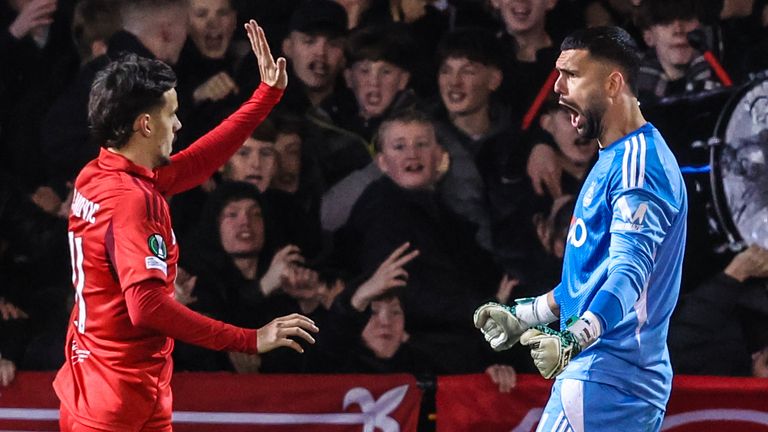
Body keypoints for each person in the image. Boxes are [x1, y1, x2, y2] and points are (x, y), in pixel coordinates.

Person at [53, 21, 318, 432]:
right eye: (171, 115)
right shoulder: (134, 201)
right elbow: (147, 308)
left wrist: (265, 97)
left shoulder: (97, 174)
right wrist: (249, 339)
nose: (177, 126)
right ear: (145, 124)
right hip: (123, 400)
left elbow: (196, 163)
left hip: (92, 380)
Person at [474, 26, 688, 431]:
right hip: (603, 379)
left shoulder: (637, 166)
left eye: (571, 75)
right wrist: (526, 315)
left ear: (612, 83)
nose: (557, 87)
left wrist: (574, 338)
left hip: (608, 381)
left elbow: (629, 274)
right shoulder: (614, 159)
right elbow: (590, 278)